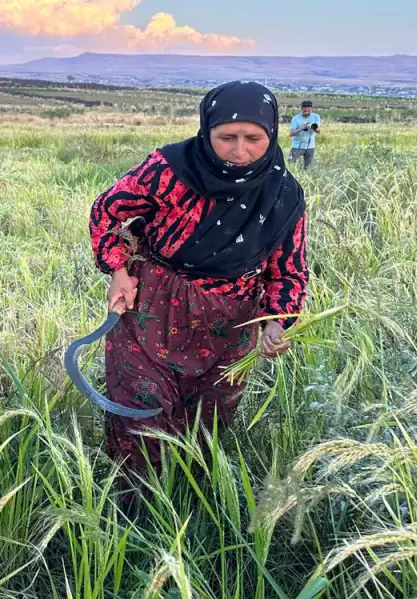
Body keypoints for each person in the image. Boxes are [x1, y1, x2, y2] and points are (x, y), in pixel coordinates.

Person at [88, 81, 308, 478]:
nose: (239, 151)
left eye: (253, 138)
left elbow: (289, 269)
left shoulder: (284, 195)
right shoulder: (169, 169)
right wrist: (118, 270)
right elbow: (107, 210)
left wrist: (277, 321)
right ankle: (132, 513)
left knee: (205, 430)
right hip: (152, 307)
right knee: (141, 417)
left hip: (230, 326)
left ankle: (188, 504)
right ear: (206, 131)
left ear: (272, 134)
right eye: (226, 137)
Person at [289, 100, 322, 167]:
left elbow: (318, 131)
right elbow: (291, 133)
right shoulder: (295, 118)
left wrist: (312, 126)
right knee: (290, 165)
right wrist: (301, 128)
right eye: (305, 111)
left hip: (310, 146)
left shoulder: (316, 116)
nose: (307, 113)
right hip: (297, 146)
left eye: (309, 111)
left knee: (307, 167)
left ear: (312, 109)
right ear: (301, 109)